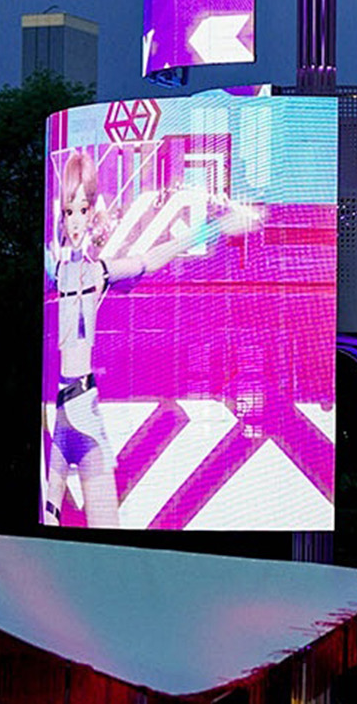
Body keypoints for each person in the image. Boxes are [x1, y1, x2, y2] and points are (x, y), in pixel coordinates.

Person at [43, 147, 258, 528]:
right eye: (68, 211)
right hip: (61, 412)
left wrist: (218, 228)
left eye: (81, 209)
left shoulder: (100, 271)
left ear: (92, 212)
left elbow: (154, 257)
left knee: (105, 527)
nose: (74, 220)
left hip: (84, 410)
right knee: (51, 518)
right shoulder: (56, 270)